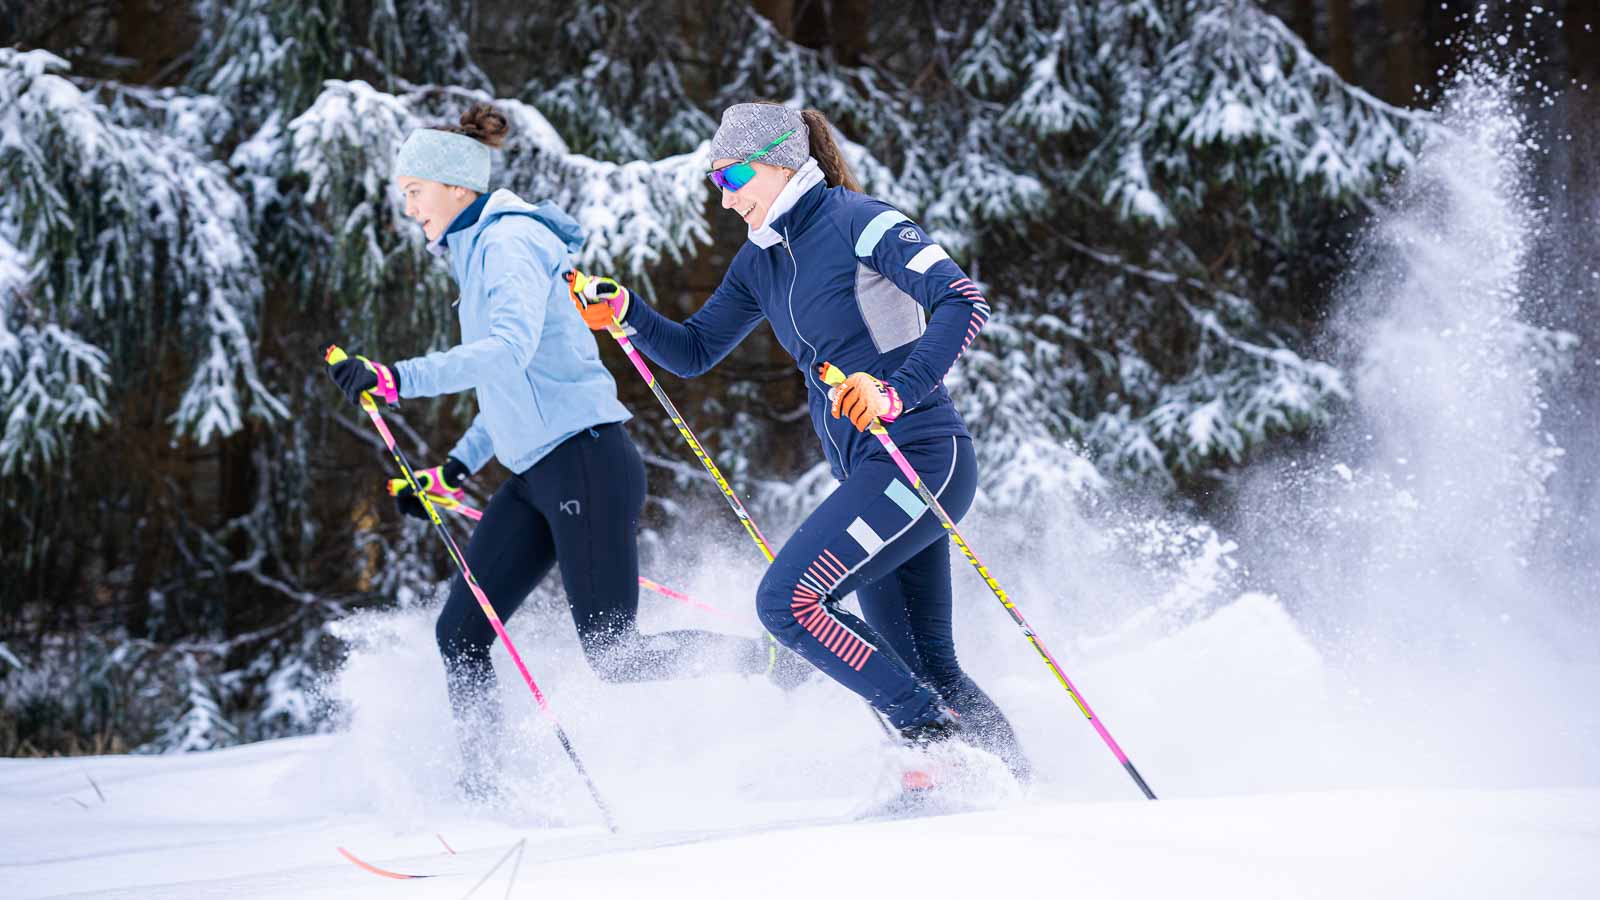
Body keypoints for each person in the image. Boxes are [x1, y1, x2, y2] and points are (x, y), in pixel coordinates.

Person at [325, 103, 808, 800]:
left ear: (456, 187)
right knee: (461, 630)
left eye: (414, 193)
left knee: (616, 655)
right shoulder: (473, 252)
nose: (408, 210)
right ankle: (484, 786)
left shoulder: (507, 243)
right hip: (533, 473)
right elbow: (515, 384)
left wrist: (396, 379)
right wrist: (455, 467)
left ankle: (777, 659)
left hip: (585, 460)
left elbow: (507, 351)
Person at [574, 102, 1030, 780]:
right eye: (715, 185)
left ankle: (931, 741)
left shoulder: (862, 222)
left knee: (787, 602)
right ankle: (1014, 784)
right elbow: (696, 350)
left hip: (922, 456)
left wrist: (894, 391)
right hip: (873, 475)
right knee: (925, 663)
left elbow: (962, 300)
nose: (725, 202)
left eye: (730, 180)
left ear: (779, 161)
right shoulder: (762, 261)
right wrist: (627, 313)